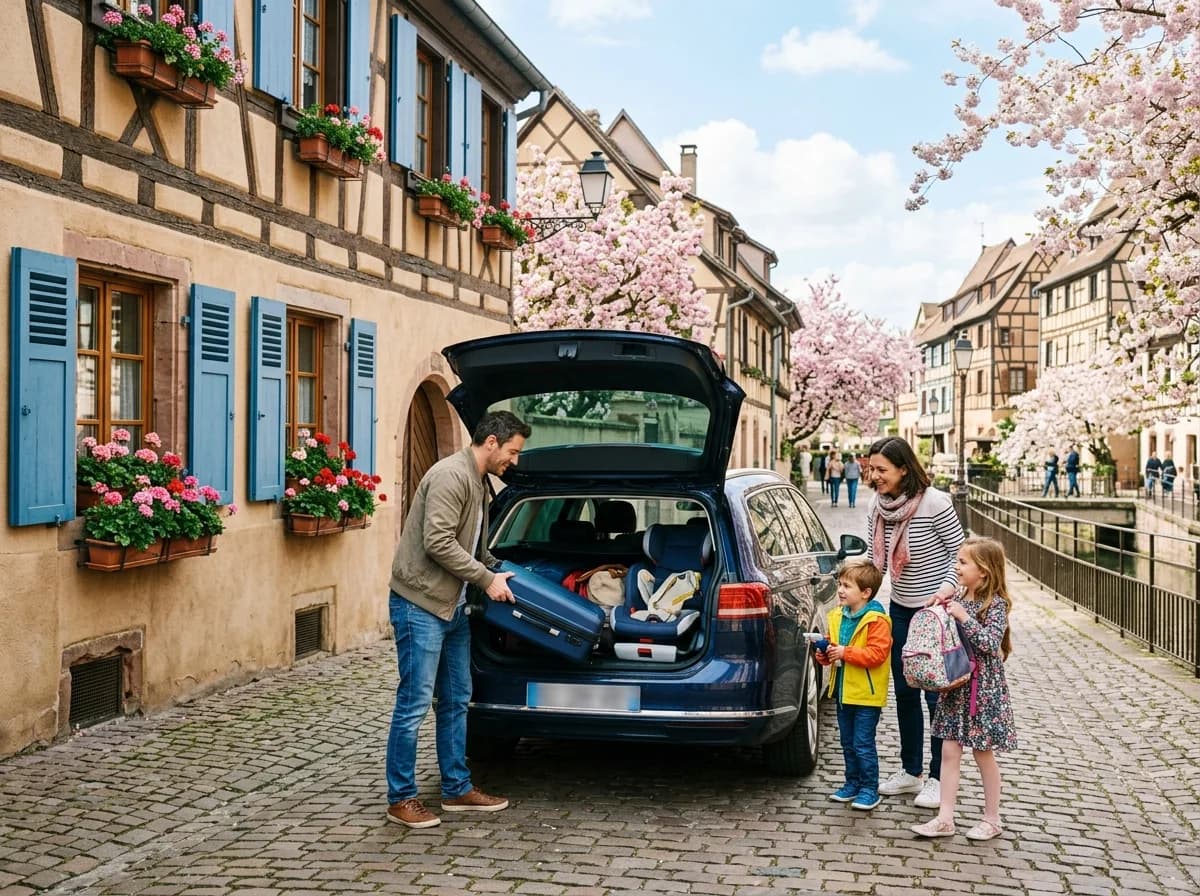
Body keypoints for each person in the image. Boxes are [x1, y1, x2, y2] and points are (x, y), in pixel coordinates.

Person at [385, 410, 531, 828]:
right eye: (513, 451)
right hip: (421, 605)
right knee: (413, 704)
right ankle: (401, 797)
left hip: (452, 607)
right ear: (490, 442)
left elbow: (473, 546)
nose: (515, 461)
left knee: (456, 699)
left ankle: (456, 788)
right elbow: (438, 543)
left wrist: (502, 570)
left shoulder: (480, 483)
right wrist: (486, 579)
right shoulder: (451, 476)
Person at [866, 437, 964, 810]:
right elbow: (874, 560)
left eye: (882, 470)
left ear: (904, 469)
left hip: (936, 613)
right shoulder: (878, 505)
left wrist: (946, 589)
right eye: (871, 469)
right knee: (905, 691)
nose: (874, 477)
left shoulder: (935, 503)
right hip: (901, 609)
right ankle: (911, 772)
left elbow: (960, 552)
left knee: (935, 696)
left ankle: (939, 777)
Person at [912, 537, 1017, 841]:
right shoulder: (959, 594)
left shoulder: (995, 604)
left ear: (983, 571)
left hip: (983, 689)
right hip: (957, 684)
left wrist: (963, 616)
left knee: (983, 752)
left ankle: (992, 818)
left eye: (962, 562)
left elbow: (989, 643)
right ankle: (945, 818)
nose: (956, 568)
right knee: (949, 749)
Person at [815, 558, 892, 811]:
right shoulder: (838, 615)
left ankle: (870, 788)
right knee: (847, 742)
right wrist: (825, 653)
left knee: (862, 743)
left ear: (866, 592)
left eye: (847, 586)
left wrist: (845, 652)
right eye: (840, 584)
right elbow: (834, 645)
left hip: (866, 696)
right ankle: (852, 783)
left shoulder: (877, 621)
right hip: (842, 692)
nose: (840, 590)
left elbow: (876, 655)